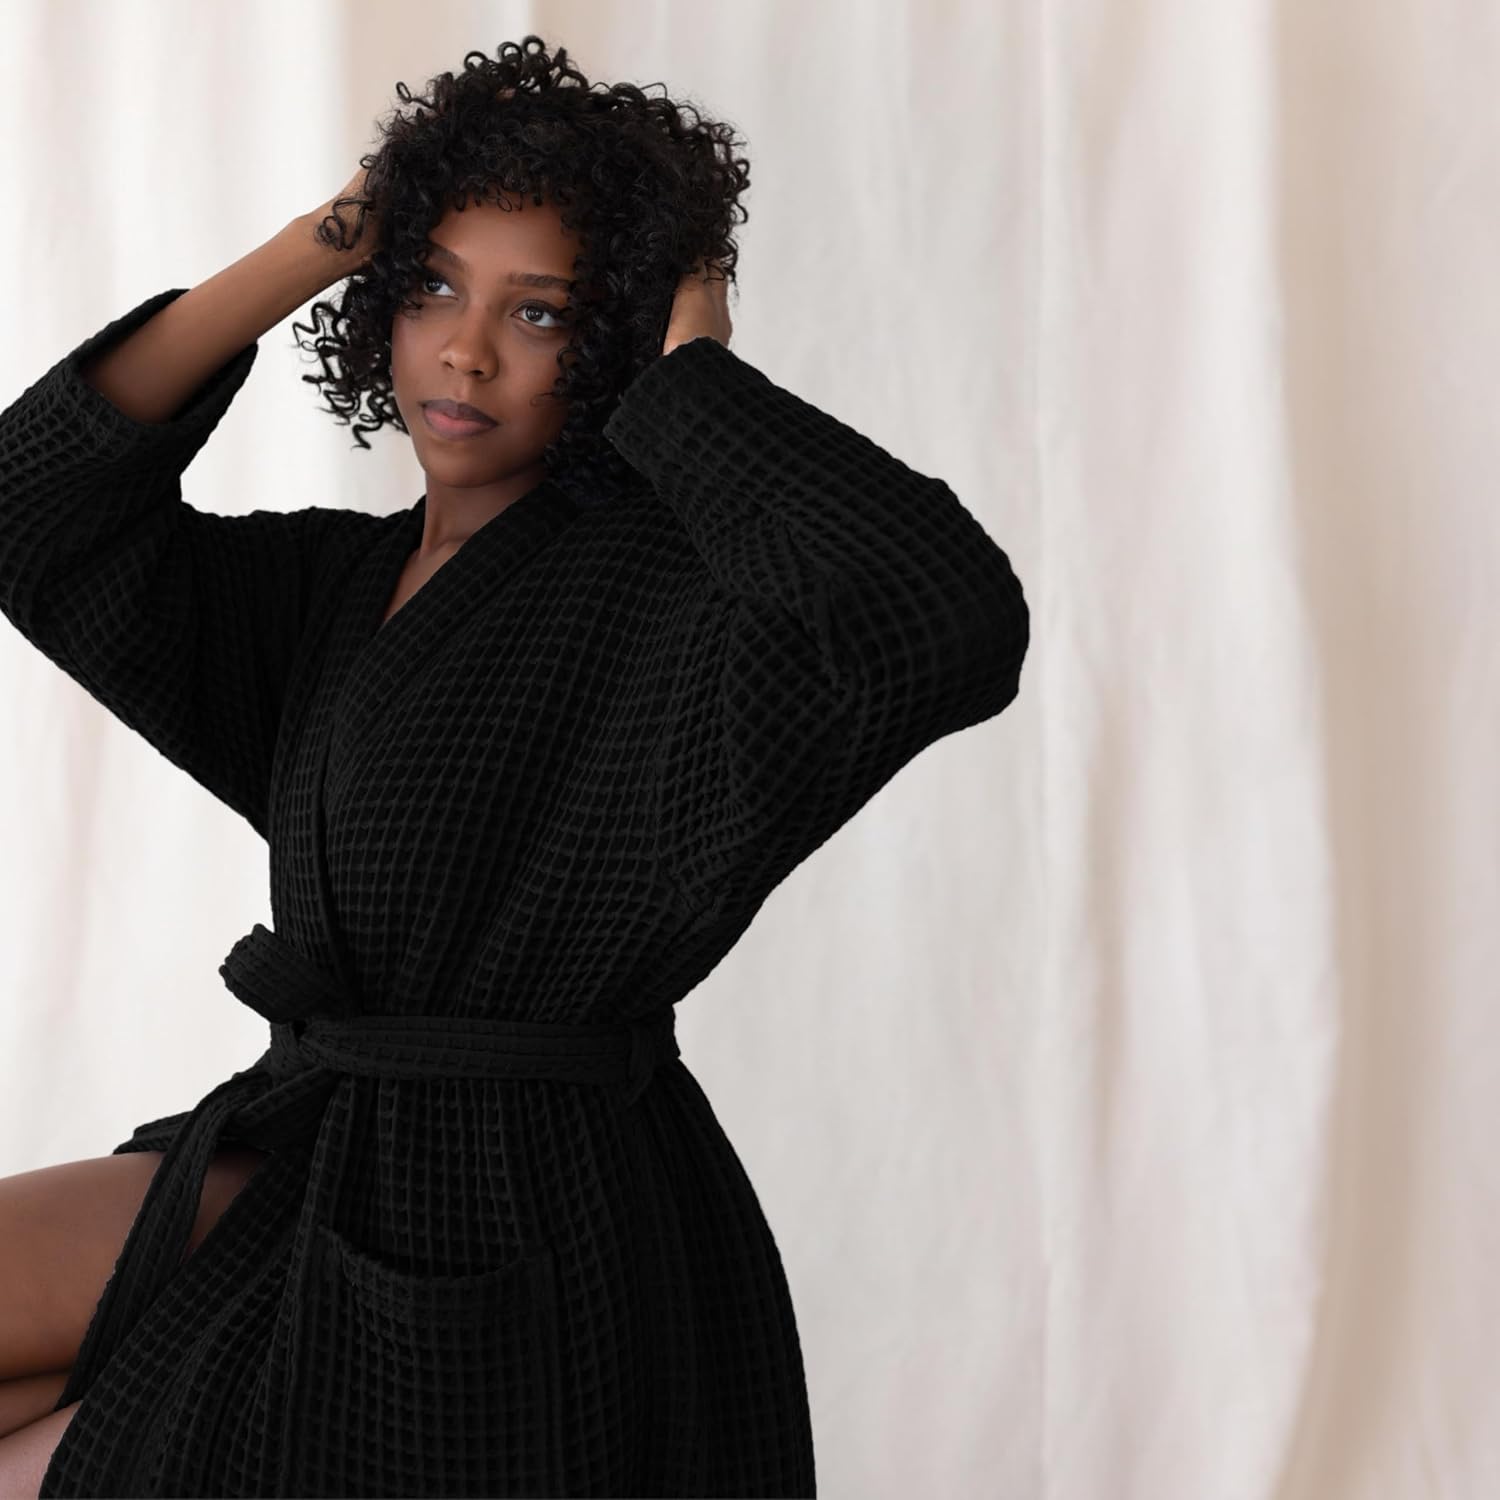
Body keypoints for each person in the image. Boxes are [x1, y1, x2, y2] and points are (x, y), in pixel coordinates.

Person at [0, 33, 1028, 1499]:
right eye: (429, 287)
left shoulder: (685, 612)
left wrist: (692, 372)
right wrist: (319, 242)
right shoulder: (330, 596)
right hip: (317, 1147)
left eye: (539, 313)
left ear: (611, 347)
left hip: (518, 1221)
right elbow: (31, 520)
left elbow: (942, 618)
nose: (465, 351)